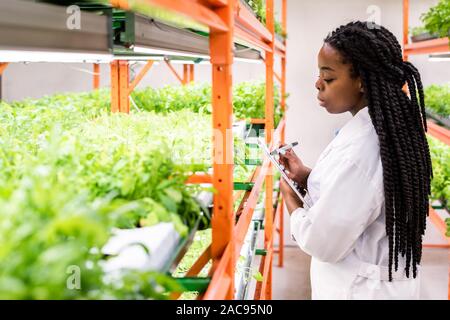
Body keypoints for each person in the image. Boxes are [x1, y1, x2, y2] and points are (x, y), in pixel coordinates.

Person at [279, 21, 432, 300]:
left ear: (361, 81)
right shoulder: (381, 129)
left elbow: (323, 242)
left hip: (361, 290)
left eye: (329, 78)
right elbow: (361, 195)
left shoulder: (363, 149)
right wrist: (307, 177)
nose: (318, 84)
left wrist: (291, 199)